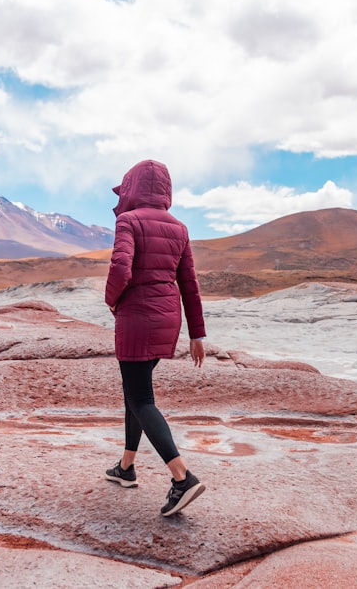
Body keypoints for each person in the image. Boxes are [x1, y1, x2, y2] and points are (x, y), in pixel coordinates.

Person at [103, 159, 207, 516]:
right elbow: (189, 284)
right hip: (167, 319)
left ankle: (181, 478)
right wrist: (197, 333)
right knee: (134, 392)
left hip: (136, 319)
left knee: (141, 398)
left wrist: (112, 299)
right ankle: (126, 467)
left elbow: (120, 267)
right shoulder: (179, 228)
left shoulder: (127, 221)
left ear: (132, 189)